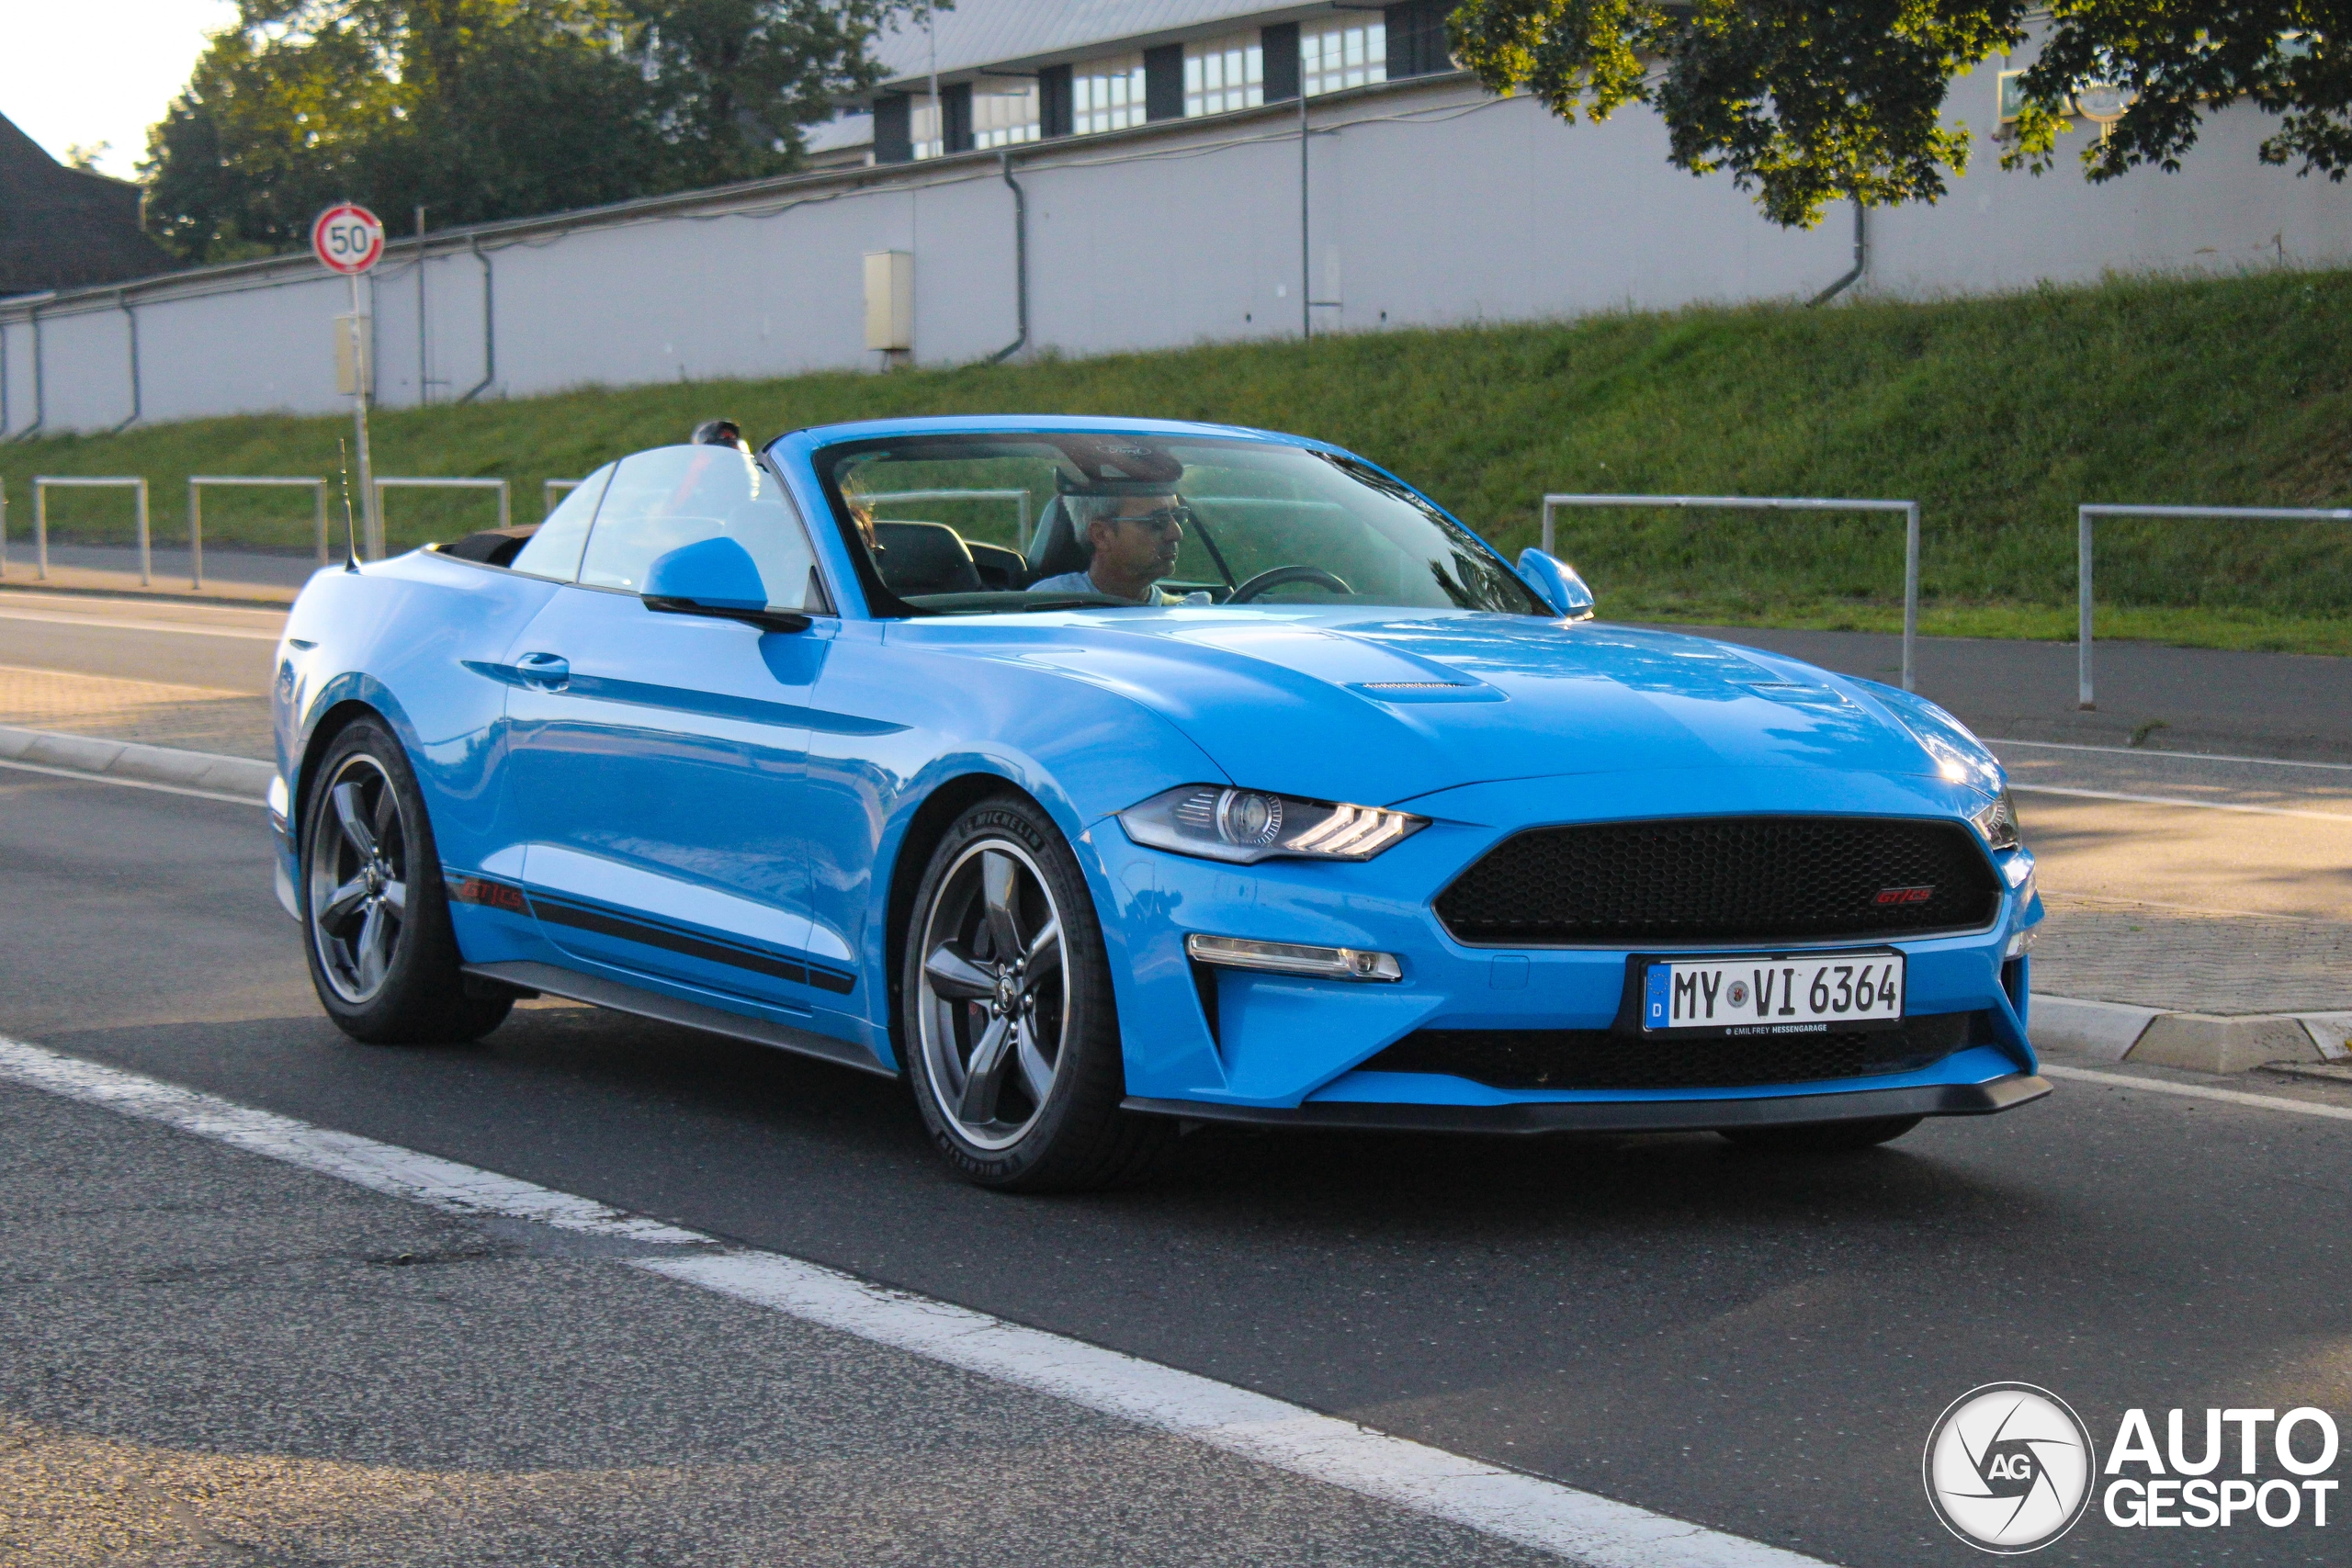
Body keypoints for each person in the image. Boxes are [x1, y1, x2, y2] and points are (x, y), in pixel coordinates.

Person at [1030, 491, 1209, 604]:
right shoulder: (1045, 608)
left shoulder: (1191, 613)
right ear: (1101, 535)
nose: (1176, 533)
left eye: (1179, 516)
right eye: (1157, 521)